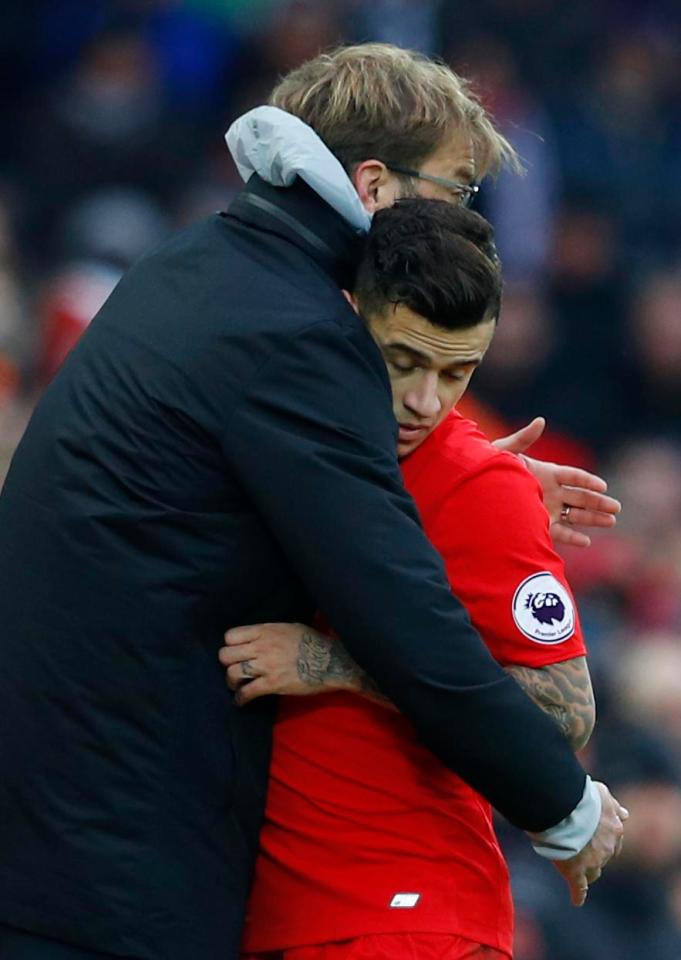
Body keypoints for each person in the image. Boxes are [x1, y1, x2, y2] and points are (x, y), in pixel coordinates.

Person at [0, 44, 624, 960]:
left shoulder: (201, 268)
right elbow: (402, 614)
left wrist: (465, 478)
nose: (461, 222)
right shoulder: (296, 330)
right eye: (455, 190)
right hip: (113, 865)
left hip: (62, 830)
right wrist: (564, 808)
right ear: (374, 183)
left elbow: (244, 483)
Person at [225, 200, 603, 960]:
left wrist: (331, 664)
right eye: (402, 364)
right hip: (278, 911)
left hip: (410, 917)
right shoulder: (292, 440)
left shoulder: (481, 488)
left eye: (456, 372)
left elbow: (566, 715)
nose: (424, 402)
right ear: (349, 313)